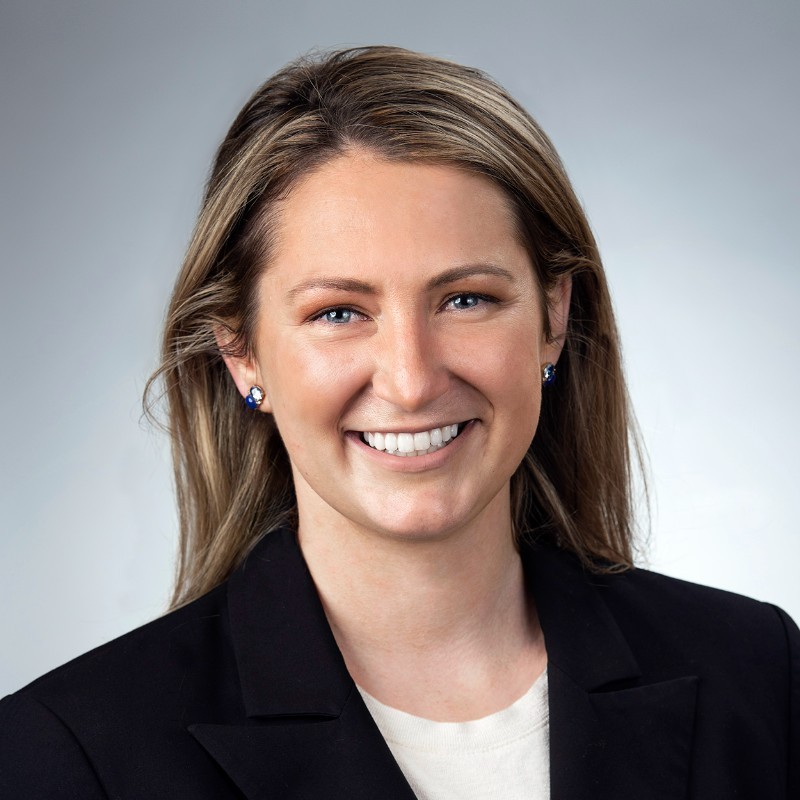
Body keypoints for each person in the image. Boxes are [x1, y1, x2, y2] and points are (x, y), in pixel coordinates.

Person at [0, 45, 797, 799]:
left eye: (466, 300)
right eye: (339, 311)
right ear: (242, 354)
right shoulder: (73, 755)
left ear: (554, 317)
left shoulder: (760, 674)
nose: (412, 381)